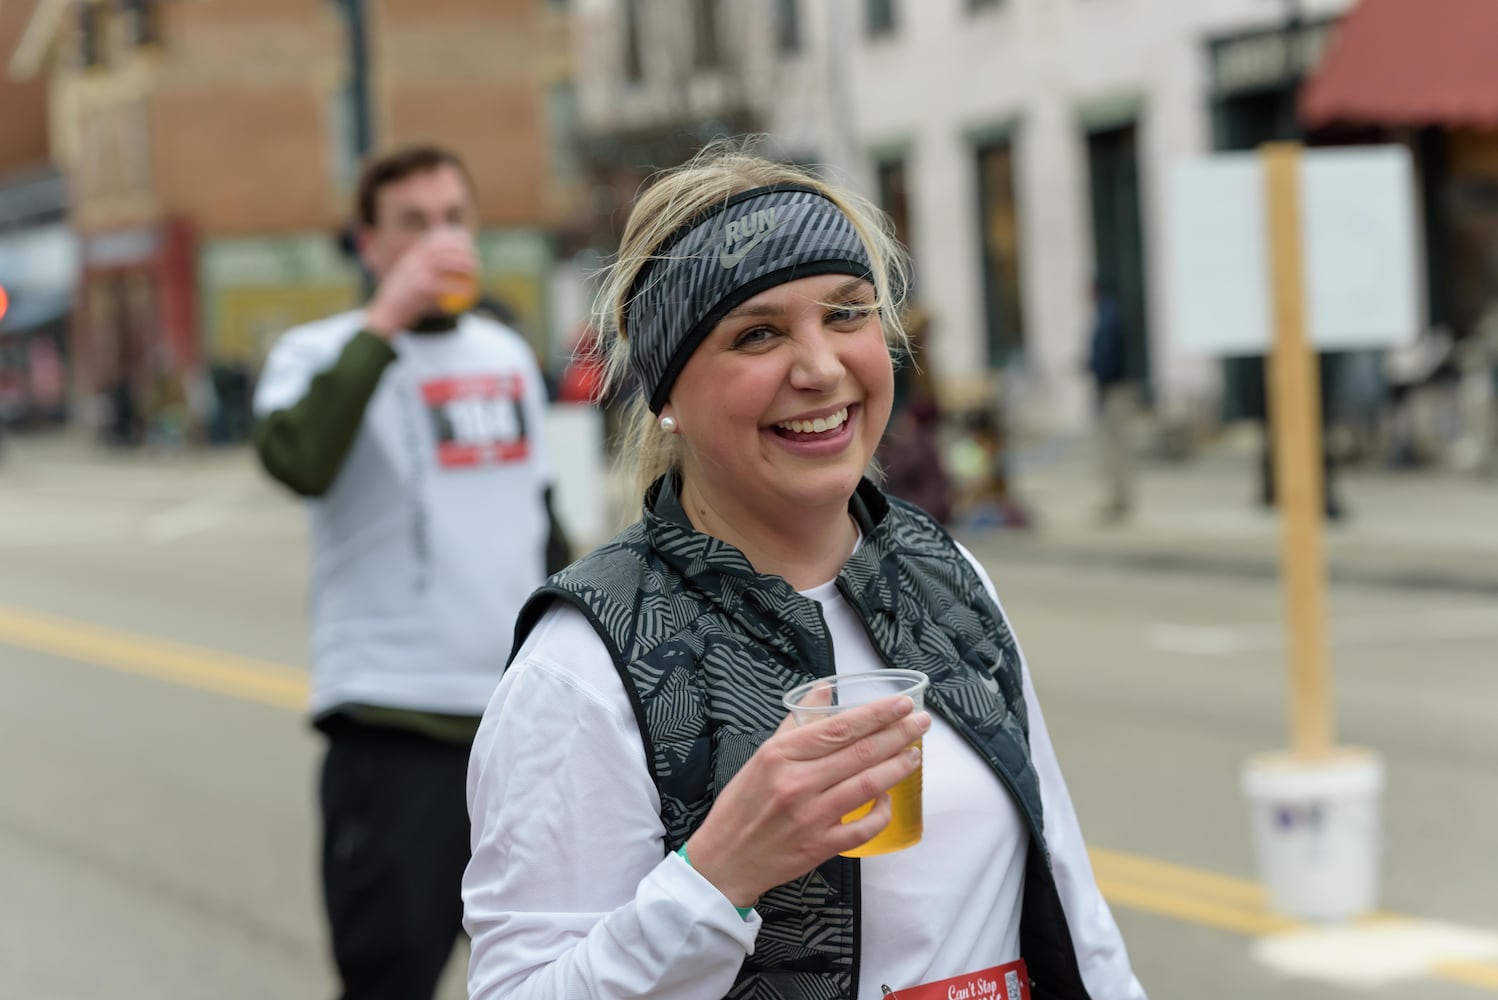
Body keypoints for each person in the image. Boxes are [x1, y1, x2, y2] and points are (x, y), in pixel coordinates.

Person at [463, 143, 1145, 1000]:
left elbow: (1073, 908)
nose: (821, 368)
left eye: (848, 314)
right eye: (758, 333)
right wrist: (717, 875)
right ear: (667, 393)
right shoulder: (584, 666)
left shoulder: (947, 576)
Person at [252, 144, 570, 1000]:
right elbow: (298, 460)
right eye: (414, 223)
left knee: (551, 977)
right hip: (394, 728)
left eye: (455, 218)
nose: (441, 238)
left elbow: (537, 522)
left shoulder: (503, 354)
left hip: (517, 731)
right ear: (368, 244)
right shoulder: (318, 353)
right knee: (389, 981)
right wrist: (384, 322)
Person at [1086, 279, 1137, 523]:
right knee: (1114, 445)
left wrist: (1097, 374)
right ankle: (1117, 497)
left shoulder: (1107, 317)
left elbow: (1105, 356)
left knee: (1114, 446)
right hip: (1112, 385)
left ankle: (1117, 498)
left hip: (1112, 388)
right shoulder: (1108, 314)